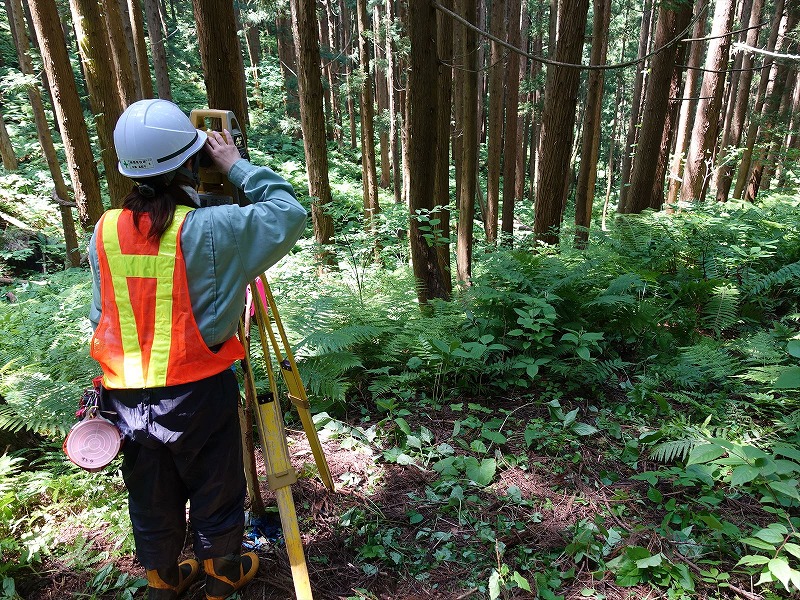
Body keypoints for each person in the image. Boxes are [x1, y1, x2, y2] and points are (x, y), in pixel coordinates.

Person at [87, 99, 307, 600]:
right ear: (192, 159)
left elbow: (104, 312)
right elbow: (287, 212)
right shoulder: (216, 227)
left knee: (150, 492)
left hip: (123, 395)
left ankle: (162, 580)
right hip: (198, 389)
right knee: (214, 483)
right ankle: (222, 575)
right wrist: (234, 165)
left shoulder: (105, 228)